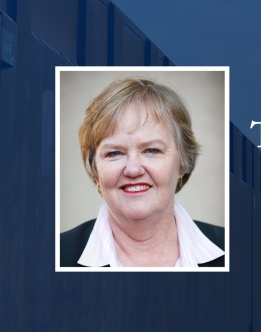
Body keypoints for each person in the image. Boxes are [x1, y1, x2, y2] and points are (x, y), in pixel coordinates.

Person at [60, 77, 225, 268]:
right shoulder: (53, 255)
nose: (133, 169)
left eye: (152, 150)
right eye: (114, 153)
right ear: (95, 170)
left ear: (182, 163)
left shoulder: (239, 252)